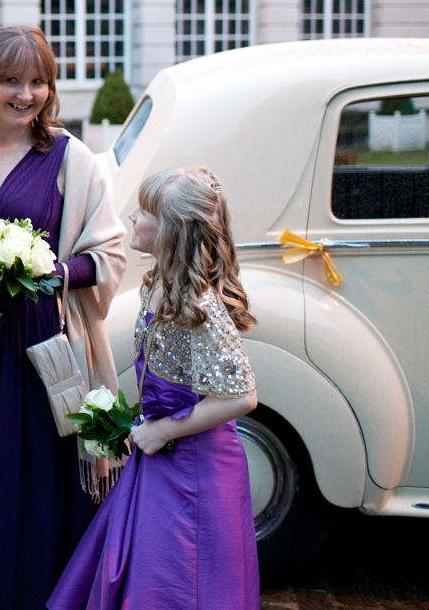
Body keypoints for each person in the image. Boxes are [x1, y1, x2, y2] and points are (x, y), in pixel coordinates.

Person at [0, 25, 127, 610]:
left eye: (38, 81)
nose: (26, 94)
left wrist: (58, 274)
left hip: (38, 342)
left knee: (36, 476)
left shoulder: (71, 157)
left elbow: (111, 252)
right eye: (11, 80)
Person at [48, 167, 260, 609]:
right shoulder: (158, 286)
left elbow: (241, 396)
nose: (132, 218)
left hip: (197, 469)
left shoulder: (200, 305)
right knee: (144, 571)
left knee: (179, 579)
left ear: (171, 230)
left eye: (144, 212)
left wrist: (163, 430)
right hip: (159, 455)